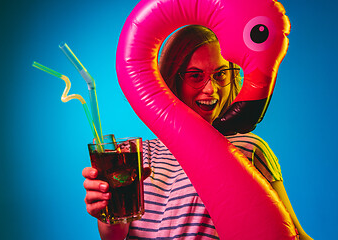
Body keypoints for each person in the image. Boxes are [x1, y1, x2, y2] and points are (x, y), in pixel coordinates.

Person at [82, 25, 312, 240]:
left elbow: (291, 233)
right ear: (172, 81)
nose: (211, 88)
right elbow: (114, 235)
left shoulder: (247, 148)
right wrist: (106, 210)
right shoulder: (135, 155)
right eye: (195, 76)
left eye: (220, 74)